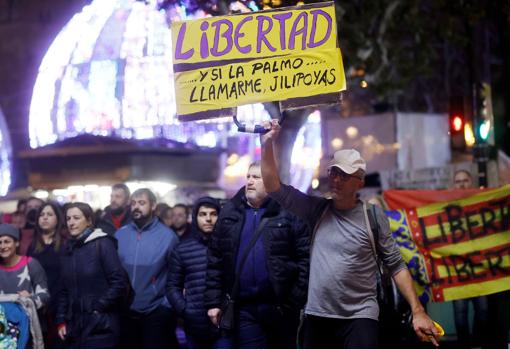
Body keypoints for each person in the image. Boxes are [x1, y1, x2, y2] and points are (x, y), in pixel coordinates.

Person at [260, 120, 440, 349]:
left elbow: (396, 265)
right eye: (333, 172)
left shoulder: (372, 216)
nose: (335, 180)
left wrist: (418, 311)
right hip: (318, 316)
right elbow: (272, 186)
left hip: (359, 317)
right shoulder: (316, 210)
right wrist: (266, 144)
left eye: (344, 175)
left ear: (360, 183)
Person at [205, 161, 310, 349]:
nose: (250, 181)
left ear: (271, 181)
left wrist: (295, 298)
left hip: (282, 308)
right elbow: (215, 259)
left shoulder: (289, 212)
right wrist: (214, 302)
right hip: (245, 308)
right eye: (248, 177)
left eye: (257, 177)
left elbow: (305, 257)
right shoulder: (231, 211)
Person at [56, 202, 129, 349]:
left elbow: (119, 282)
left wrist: (98, 308)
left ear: (89, 221)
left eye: (76, 218)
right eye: (68, 218)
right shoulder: (68, 249)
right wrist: (61, 320)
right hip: (75, 326)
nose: (71, 222)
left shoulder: (102, 243)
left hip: (101, 325)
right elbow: (64, 289)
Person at [115, 188, 179, 349]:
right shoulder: (120, 235)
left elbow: (177, 275)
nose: (136, 207)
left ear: (153, 206)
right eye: (134, 203)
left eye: (142, 203)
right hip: (125, 310)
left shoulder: (168, 237)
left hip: (155, 310)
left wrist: (167, 304)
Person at [167, 197, 232, 349]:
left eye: (213, 214)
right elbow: (172, 286)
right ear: (195, 218)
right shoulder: (182, 249)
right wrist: (185, 310)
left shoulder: (230, 246)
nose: (208, 219)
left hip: (224, 325)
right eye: (203, 214)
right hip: (194, 326)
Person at [451, 169, 488, 349]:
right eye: (458, 182)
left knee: (483, 311)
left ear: (471, 182)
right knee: (460, 314)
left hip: (480, 269)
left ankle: (477, 345)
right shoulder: (446, 208)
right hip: (458, 271)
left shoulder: (480, 204)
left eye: (465, 180)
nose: (462, 184)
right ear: (454, 185)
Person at [27, 202, 67, 348]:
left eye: (49, 215)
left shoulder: (65, 245)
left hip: (59, 305)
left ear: (58, 219)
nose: (45, 218)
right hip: (37, 306)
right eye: (42, 215)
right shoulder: (31, 246)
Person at [0, 223, 49, 310]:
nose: (2, 246)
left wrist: (30, 299)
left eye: (7, 242)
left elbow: (45, 295)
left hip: (27, 321)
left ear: (17, 243)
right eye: (0, 243)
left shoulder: (30, 264)